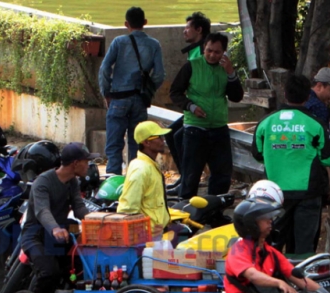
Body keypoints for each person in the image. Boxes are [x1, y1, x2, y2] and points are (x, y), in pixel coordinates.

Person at [251, 74, 330, 255]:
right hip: (309, 193)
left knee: (273, 244)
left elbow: (258, 155)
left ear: (285, 94)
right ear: (308, 96)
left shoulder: (266, 122)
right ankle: (302, 281)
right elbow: (328, 158)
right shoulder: (315, 124)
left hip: (274, 195)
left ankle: (273, 280)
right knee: (304, 248)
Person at [22, 143, 97, 293]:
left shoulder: (73, 182)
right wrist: (55, 228)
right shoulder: (43, 182)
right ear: (75, 164)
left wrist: (98, 221)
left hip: (60, 233)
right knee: (49, 271)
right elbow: (42, 211)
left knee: (81, 267)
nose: (89, 165)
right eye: (86, 161)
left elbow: (79, 207)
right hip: (36, 235)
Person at [170, 32, 244, 199]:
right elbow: (175, 92)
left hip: (219, 128)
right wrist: (191, 106)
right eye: (209, 50)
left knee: (222, 175)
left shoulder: (225, 69)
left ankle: (214, 212)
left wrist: (231, 73)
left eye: (217, 52)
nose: (212, 55)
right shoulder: (191, 66)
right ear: (204, 48)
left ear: (224, 52)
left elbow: (236, 96)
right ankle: (186, 213)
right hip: (195, 128)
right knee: (191, 175)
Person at [98, 7, 165, 175]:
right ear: (145, 22)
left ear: (126, 24)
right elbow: (159, 75)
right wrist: (148, 91)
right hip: (139, 99)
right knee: (137, 144)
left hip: (118, 98)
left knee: (114, 144)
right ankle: (136, 177)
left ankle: (113, 180)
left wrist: (106, 92)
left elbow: (105, 69)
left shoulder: (119, 42)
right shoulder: (154, 45)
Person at [165, 11, 211, 176]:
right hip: (192, 106)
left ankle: (189, 178)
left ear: (198, 30)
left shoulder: (204, 51)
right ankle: (185, 176)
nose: (184, 31)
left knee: (177, 137)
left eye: (187, 28)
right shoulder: (194, 50)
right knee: (171, 133)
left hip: (203, 108)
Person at [117, 121, 171, 238]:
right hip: (147, 237)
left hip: (157, 233)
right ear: (146, 142)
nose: (163, 141)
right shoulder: (140, 169)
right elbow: (128, 209)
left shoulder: (151, 165)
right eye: (159, 137)